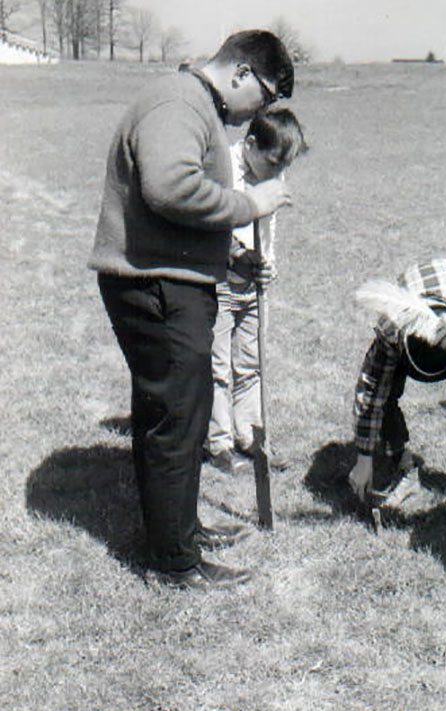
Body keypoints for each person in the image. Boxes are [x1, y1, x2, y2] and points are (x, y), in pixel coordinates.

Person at [90, 30, 295, 589]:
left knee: (179, 413)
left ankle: (180, 531)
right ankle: (175, 562)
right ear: (242, 74)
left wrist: (229, 259)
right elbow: (169, 187)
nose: (265, 111)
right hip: (155, 287)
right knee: (176, 419)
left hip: (168, 278)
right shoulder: (179, 103)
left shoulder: (192, 102)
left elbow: (174, 214)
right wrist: (248, 204)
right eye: (269, 95)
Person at [348, 259, 446, 523]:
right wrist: (364, 458)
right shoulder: (392, 330)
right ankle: (402, 462)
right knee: (385, 392)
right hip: (418, 302)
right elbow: (370, 392)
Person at [204, 108, 307, 474]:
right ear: (249, 145)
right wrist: (238, 256)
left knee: (250, 362)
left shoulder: (271, 176)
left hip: (251, 288)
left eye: (286, 167)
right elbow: (212, 222)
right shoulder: (222, 167)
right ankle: (219, 443)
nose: (279, 174)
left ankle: (248, 434)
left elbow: (267, 229)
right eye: (274, 163)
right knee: (217, 367)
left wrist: (269, 264)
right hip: (218, 284)